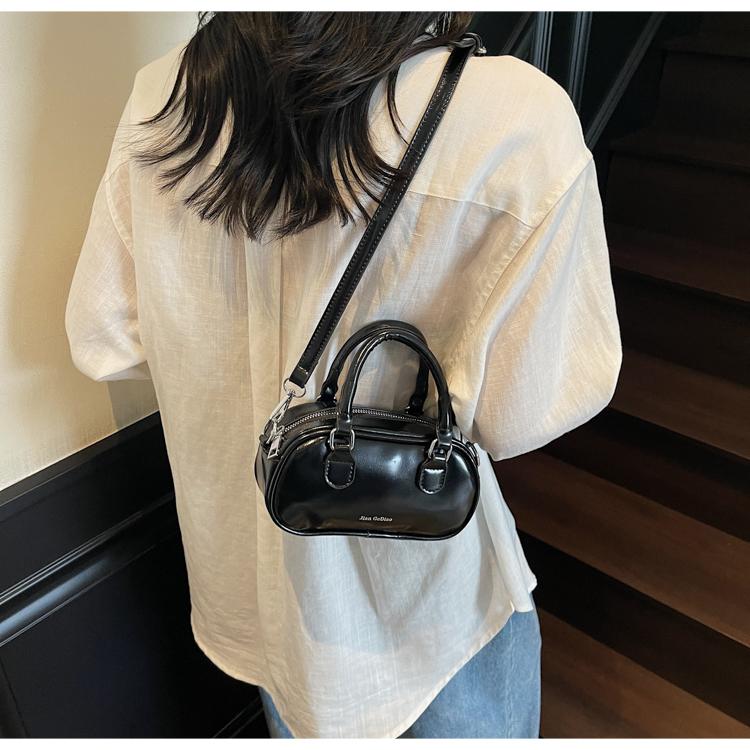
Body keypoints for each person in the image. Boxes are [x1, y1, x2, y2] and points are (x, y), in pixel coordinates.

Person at [64, 11, 622, 739]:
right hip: (427, 612)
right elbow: (527, 411)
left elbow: (105, 338)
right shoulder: (516, 118)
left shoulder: (163, 97)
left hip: (255, 597)